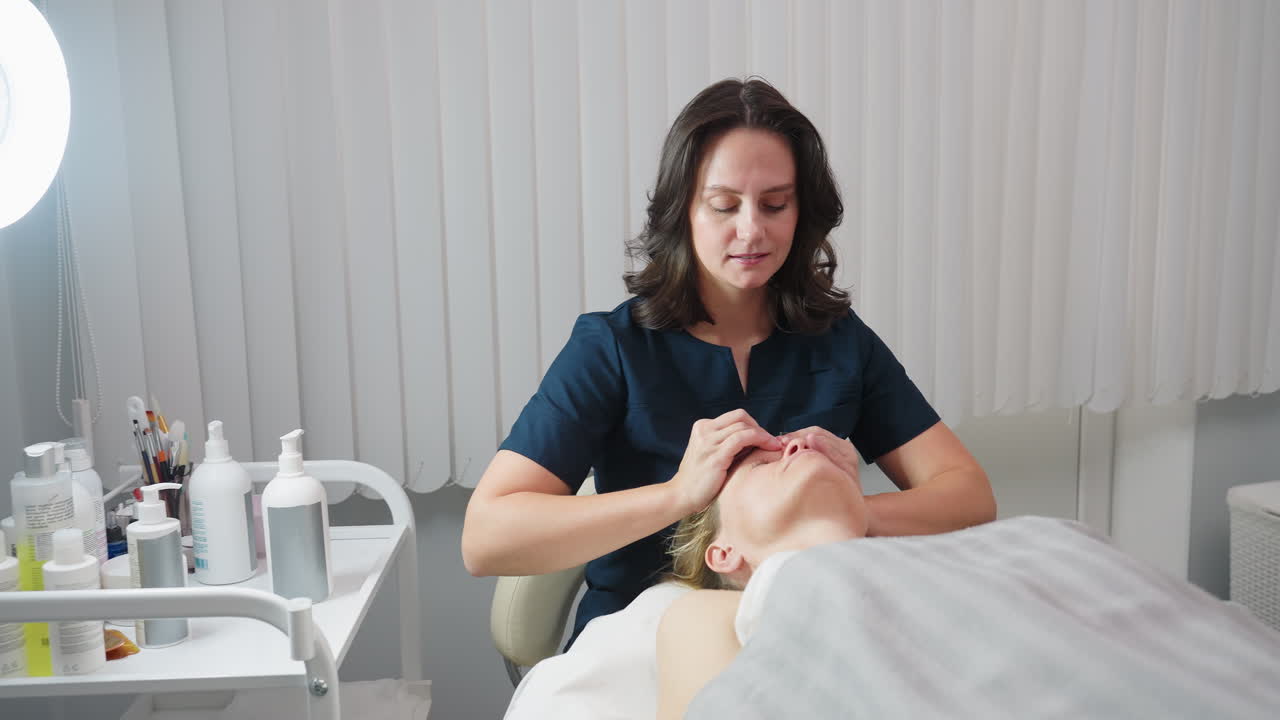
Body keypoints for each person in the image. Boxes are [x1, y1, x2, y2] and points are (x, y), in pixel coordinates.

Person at [461, 77, 995, 648]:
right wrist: (678, 495)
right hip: (636, 645)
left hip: (804, 631)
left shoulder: (839, 343)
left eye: (775, 205)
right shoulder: (613, 349)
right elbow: (487, 538)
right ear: (682, 213)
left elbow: (968, 495)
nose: (752, 230)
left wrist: (844, 514)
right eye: (723, 206)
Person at [658, 431, 868, 718]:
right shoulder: (704, 615)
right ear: (723, 553)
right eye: (762, 464)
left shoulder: (927, 564)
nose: (800, 445)